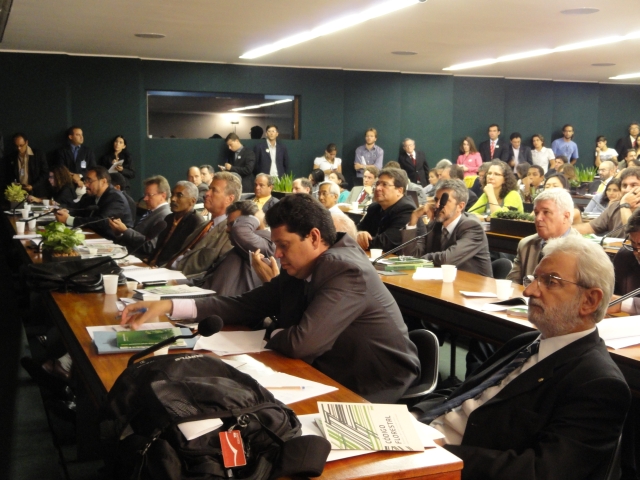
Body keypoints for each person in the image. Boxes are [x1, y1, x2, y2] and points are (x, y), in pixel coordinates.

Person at [121, 194, 421, 404]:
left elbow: (301, 343)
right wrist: (170, 305)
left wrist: (272, 331)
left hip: (369, 382)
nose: (276, 254)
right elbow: (243, 304)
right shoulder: (301, 264)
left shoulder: (346, 269)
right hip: (321, 368)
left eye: (283, 245)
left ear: (314, 238)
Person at [413, 235, 630, 480]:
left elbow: (540, 472)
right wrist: (415, 416)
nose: (529, 290)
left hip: (449, 465)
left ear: (589, 301)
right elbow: (465, 393)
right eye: (534, 278)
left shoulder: (597, 383)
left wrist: (439, 454)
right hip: (421, 438)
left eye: (550, 281)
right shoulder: (526, 342)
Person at [401, 179, 492, 276]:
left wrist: (421, 259)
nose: (437, 205)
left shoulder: (472, 227)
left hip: (474, 287)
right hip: (443, 282)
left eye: (444, 201)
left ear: (460, 206)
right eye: (436, 200)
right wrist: (414, 218)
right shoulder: (434, 224)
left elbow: (447, 260)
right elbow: (410, 256)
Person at [196, 201, 275, 297]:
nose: (228, 230)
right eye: (228, 224)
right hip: (207, 300)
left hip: (222, 308)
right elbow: (208, 279)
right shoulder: (242, 247)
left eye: (233, 224)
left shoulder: (267, 245)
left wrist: (256, 218)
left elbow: (239, 231)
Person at [169, 172, 241, 276]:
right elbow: (180, 257)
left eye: (214, 190)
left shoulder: (231, 233)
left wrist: (173, 280)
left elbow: (214, 274)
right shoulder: (203, 226)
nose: (207, 193)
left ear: (229, 199)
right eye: (209, 188)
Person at [507, 189, 578, 284]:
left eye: (546, 212)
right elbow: (511, 286)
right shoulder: (526, 245)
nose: (538, 218)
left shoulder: (581, 252)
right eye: (536, 213)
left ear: (565, 216)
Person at [53, 166, 132, 239]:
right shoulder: (91, 196)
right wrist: (65, 211)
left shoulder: (115, 198)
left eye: (89, 181)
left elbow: (102, 222)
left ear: (103, 181)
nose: (86, 185)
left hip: (113, 242)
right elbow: (77, 208)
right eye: (85, 181)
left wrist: (69, 220)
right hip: (94, 237)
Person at [145, 181, 206, 267]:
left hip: (169, 270)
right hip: (151, 265)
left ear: (192, 201)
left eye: (179, 195)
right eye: (172, 194)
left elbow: (184, 256)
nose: (173, 199)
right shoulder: (169, 218)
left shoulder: (196, 222)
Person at [108, 175, 171, 257]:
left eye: (149, 195)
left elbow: (150, 246)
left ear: (163, 195)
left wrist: (126, 231)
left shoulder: (165, 216)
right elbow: (137, 237)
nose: (145, 199)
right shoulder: (152, 212)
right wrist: (120, 233)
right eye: (145, 195)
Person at [356, 167, 415, 251]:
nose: (378, 188)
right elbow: (357, 230)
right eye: (377, 184)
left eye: (384, 184)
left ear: (399, 191)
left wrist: (357, 239)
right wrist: (359, 234)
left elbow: (384, 243)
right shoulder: (374, 207)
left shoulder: (406, 210)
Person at [576, 167, 640, 235]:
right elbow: (590, 227)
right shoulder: (615, 206)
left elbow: (633, 236)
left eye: (634, 185)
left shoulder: (623, 204)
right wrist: (566, 231)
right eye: (624, 185)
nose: (627, 190)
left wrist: (625, 205)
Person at [5, 132, 48, 197]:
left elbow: (45, 173)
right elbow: (9, 174)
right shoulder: (12, 157)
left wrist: (33, 186)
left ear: (26, 142)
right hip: (19, 193)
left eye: (21, 145)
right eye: (16, 146)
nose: (19, 148)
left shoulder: (38, 154)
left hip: (36, 192)